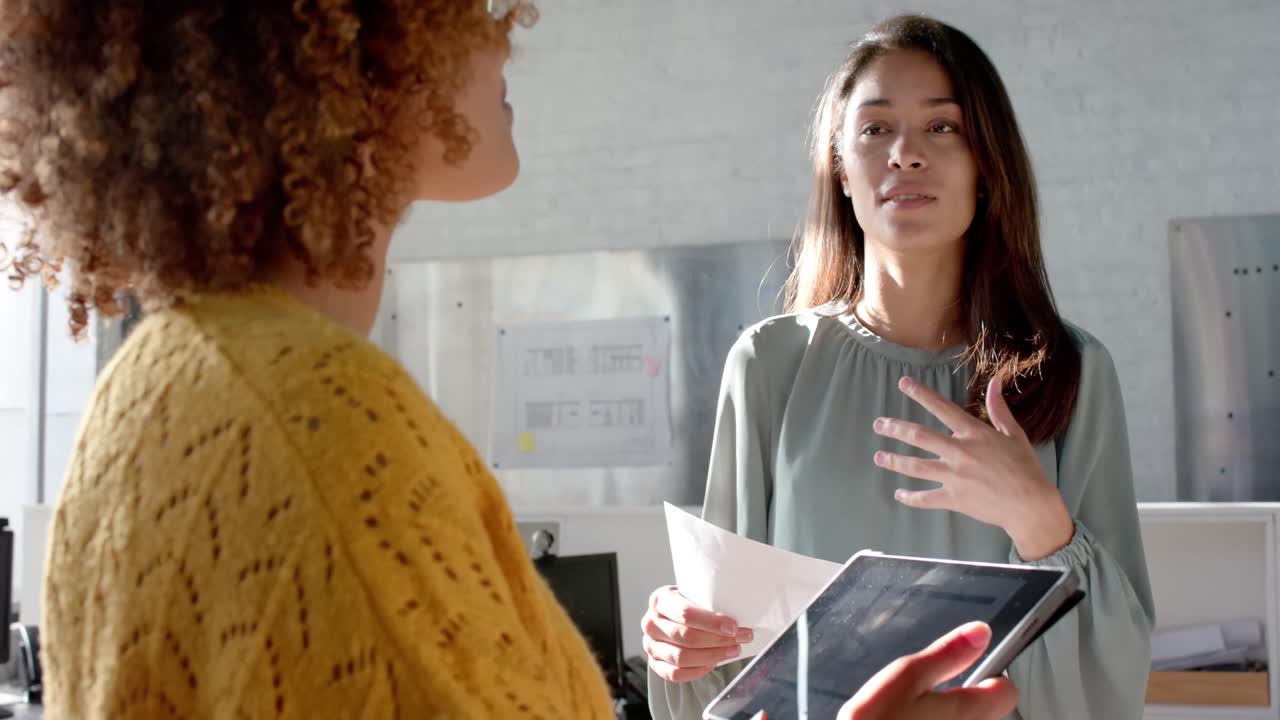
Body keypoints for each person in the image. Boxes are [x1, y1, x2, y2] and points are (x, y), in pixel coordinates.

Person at [0, 2, 1020, 719]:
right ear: (353, 43)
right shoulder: (325, 418)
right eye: (469, 6)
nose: (504, 31)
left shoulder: (148, 392)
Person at [644, 13, 1155, 720]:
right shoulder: (769, 364)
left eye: (943, 128)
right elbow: (717, 675)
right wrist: (683, 640)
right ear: (841, 170)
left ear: (988, 167)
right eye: (875, 129)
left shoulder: (1072, 371)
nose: (905, 154)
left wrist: (1040, 523)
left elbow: (1115, 680)